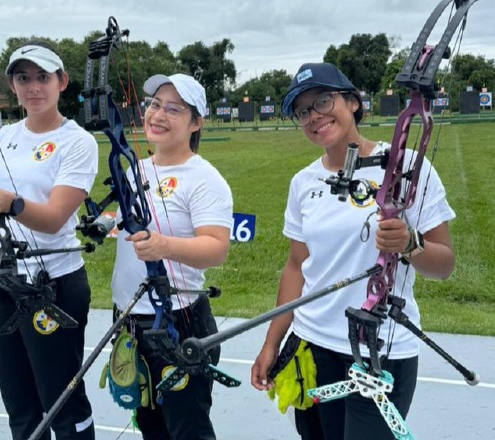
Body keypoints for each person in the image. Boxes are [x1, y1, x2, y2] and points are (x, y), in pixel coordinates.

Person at [250, 62, 456, 440]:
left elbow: (443, 265)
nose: (314, 117)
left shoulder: (409, 167)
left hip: (380, 350)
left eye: (324, 101)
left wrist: (410, 244)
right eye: (303, 111)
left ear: (353, 103)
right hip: (312, 346)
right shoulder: (303, 183)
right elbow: (296, 267)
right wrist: (271, 343)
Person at [0, 41, 98, 440]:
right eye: (23, 78)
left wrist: (10, 201)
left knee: (62, 402)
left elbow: (56, 219)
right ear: (12, 85)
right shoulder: (4, 135)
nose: (33, 87)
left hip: (51, 287)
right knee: (19, 403)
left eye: (43, 77)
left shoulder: (78, 141)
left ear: (62, 82)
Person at [110, 73, 233, 440]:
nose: (158, 115)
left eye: (173, 109)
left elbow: (216, 248)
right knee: (151, 427)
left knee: (188, 430)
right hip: (131, 321)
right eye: (154, 105)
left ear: (196, 123)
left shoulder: (204, 178)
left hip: (178, 322)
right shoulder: (137, 169)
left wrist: (163, 246)